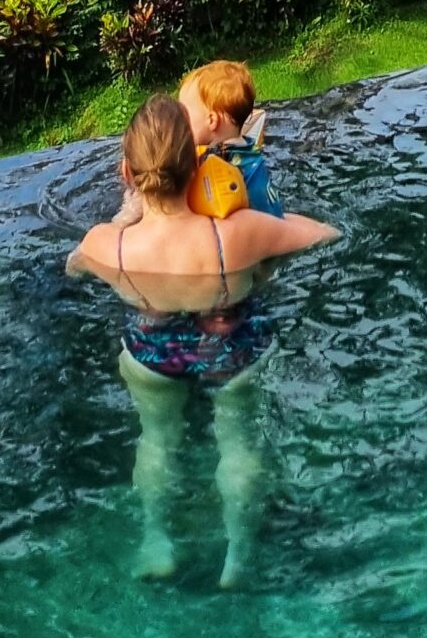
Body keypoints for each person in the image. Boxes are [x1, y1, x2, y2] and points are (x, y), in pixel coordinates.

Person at [68, 93, 337, 586]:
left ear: (127, 172)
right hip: (232, 347)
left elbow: (76, 265)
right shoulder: (235, 235)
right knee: (238, 442)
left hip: (153, 351)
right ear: (198, 162)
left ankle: (157, 543)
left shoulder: (109, 243)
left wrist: (122, 222)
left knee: (157, 441)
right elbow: (321, 233)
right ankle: (236, 559)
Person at [179, 58, 284, 214]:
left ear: (212, 120)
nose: (180, 123)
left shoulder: (222, 163)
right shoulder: (247, 149)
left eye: (184, 116)